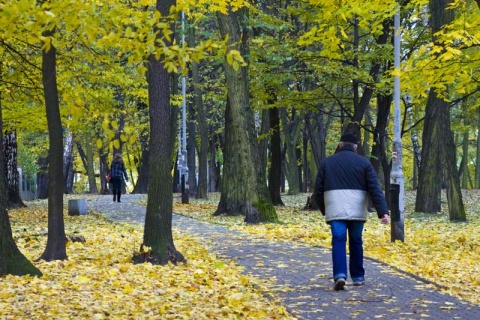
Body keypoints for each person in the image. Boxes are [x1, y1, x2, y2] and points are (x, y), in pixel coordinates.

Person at [314, 133, 389, 291]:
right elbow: (374, 188)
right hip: (357, 208)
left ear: (340, 145)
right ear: (356, 147)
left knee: (338, 240)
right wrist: (383, 212)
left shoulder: (327, 162)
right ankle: (358, 277)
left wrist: (324, 208)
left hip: (335, 207)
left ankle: (340, 275)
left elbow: (318, 190)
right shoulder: (364, 163)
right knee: (356, 240)